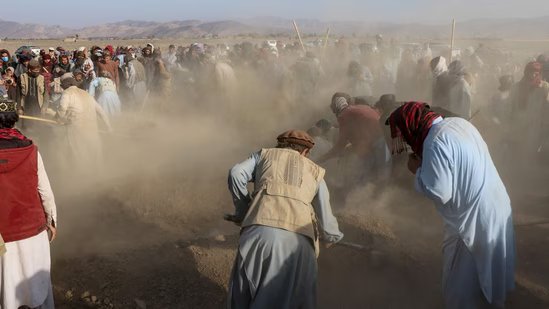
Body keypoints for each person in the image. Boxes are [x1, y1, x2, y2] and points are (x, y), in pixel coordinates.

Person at [387, 102, 515, 309]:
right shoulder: (459, 123)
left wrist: (417, 170)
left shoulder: (434, 142)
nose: (408, 143)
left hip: (470, 222)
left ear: (412, 127)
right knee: (491, 279)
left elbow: (440, 192)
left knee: (459, 291)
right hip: (497, 207)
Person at [227, 129, 343, 309]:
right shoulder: (315, 171)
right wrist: (331, 236)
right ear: (305, 152)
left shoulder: (264, 155)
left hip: (258, 232)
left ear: (280, 144)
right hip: (298, 244)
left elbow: (236, 173)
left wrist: (243, 212)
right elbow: (325, 215)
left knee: (243, 297)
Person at [0, 99, 57, 309]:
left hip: (3, 239)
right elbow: (45, 192)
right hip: (33, 231)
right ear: (14, 120)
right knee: (38, 293)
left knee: (6, 295)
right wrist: (51, 221)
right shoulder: (31, 150)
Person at [317, 93, 390, 186]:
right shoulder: (362, 107)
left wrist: (321, 159)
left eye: (334, 112)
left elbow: (339, 147)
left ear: (336, 109)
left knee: (367, 176)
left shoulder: (344, 116)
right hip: (380, 140)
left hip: (376, 144)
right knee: (382, 173)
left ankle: (370, 193)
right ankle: (378, 193)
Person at [56, 75, 111, 174]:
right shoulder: (86, 94)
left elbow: (62, 109)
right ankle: (101, 176)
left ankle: (84, 178)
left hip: (77, 129)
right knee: (95, 154)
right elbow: (101, 112)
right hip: (92, 129)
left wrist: (59, 119)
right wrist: (109, 127)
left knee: (80, 155)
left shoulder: (67, 93)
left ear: (65, 86)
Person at [509, 61, 549, 159]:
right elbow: (511, 107)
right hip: (519, 127)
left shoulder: (544, 87)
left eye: (537, 71)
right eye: (531, 71)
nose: (534, 74)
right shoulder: (516, 87)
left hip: (537, 128)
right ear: (526, 72)